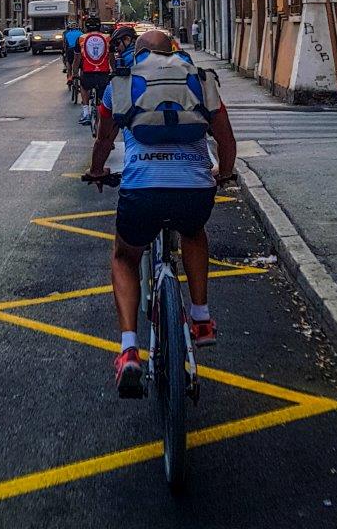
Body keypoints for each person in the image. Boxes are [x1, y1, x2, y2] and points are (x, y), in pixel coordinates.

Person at [85, 30, 237, 398]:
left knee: (124, 256)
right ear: (174, 53)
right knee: (194, 232)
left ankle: (128, 351)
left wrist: (97, 171)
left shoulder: (119, 86)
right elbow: (226, 141)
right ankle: (200, 319)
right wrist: (225, 172)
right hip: (194, 191)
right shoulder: (201, 82)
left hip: (142, 192)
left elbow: (104, 141)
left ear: (136, 56)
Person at [71, 16, 111, 125]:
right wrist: (114, 70)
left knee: (84, 87)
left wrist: (74, 73)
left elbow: (77, 59)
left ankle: (86, 114)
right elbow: (111, 57)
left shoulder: (81, 39)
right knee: (104, 94)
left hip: (88, 73)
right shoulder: (107, 38)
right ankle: (105, 114)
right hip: (104, 72)